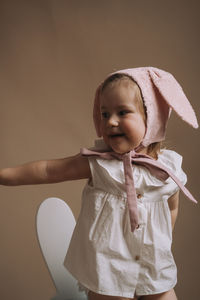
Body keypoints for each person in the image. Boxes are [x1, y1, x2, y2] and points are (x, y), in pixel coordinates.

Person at [0, 67, 198, 300]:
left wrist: (163, 243)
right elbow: (48, 170)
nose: (111, 121)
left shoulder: (168, 169)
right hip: (109, 271)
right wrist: (4, 175)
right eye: (105, 114)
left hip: (154, 268)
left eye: (123, 112)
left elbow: (172, 207)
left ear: (152, 118)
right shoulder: (100, 164)